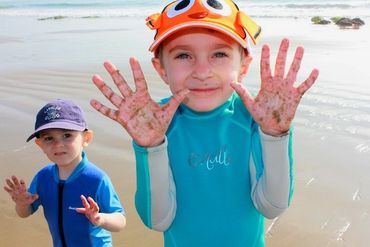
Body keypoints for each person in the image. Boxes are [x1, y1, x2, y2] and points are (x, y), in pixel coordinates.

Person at [90, 0, 319, 246]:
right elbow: (157, 220)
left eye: (219, 54)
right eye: (183, 55)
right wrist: (151, 146)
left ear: (243, 65)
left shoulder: (256, 118)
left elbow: (272, 206)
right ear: (161, 68)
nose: (201, 71)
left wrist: (275, 135)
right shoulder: (155, 124)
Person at [3, 99, 126, 247]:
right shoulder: (43, 177)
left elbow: (120, 221)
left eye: (67, 135)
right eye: (49, 138)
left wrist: (100, 218)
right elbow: (24, 214)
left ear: (86, 138)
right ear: (40, 144)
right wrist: (22, 204)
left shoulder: (97, 179)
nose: (58, 144)